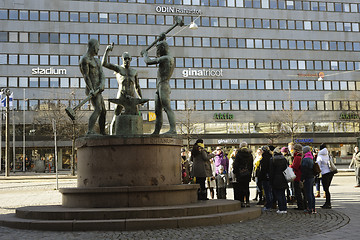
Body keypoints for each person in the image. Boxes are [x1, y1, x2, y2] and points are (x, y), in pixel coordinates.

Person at [102, 44, 142, 134]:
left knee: (136, 116)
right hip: (121, 96)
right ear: (122, 59)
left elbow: (137, 86)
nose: (127, 60)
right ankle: (111, 137)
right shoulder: (118, 69)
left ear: (131, 60)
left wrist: (140, 98)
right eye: (125, 58)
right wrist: (107, 50)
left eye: (128, 58)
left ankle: (137, 137)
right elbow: (104, 63)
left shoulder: (134, 71)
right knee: (116, 116)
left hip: (132, 96)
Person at [141, 33, 176, 135]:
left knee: (167, 107)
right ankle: (156, 131)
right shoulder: (167, 57)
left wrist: (145, 54)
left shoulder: (166, 58)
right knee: (157, 111)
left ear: (162, 49)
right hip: (159, 86)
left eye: (158, 50)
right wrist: (162, 39)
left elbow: (148, 62)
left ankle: (173, 129)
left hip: (163, 85)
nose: (157, 52)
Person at [79, 38, 106, 135]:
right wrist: (91, 89)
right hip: (92, 89)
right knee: (98, 109)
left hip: (99, 89)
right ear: (93, 47)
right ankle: (90, 131)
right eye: (97, 47)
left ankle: (102, 132)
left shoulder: (97, 61)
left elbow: (102, 74)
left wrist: (102, 84)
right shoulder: (84, 60)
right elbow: (86, 76)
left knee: (103, 111)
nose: (98, 49)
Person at [233, 142, 253, 207]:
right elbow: (251, 165)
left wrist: (235, 172)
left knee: (240, 188)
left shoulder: (238, 154)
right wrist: (250, 172)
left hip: (240, 174)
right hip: (247, 173)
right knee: (246, 188)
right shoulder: (250, 154)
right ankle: (247, 201)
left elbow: (235, 164)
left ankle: (241, 202)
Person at [269, 147, 288, 214]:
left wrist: (270, 181)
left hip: (276, 178)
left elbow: (271, 172)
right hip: (283, 177)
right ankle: (284, 208)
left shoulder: (272, 159)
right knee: (283, 194)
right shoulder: (284, 159)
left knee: (278, 194)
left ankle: (281, 208)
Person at [316, 143, 334, 209]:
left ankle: (327, 203)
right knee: (327, 189)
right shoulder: (328, 154)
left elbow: (318, 166)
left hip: (324, 174)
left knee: (325, 189)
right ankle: (328, 203)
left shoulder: (320, 156)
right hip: (330, 173)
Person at [290, 144, 307, 210]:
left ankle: (300, 206)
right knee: (303, 192)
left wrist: (290, 166)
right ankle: (304, 205)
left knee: (298, 192)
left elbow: (295, 167)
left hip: (297, 176)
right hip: (301, 176)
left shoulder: (297, 157)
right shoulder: (302, 156)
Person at [301, 146, 316, 214]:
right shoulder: (311, 157)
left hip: (307, 177)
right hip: (312, 177)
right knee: (311, 193)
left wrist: (302, 179)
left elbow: (304, 170)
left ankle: (309, 208)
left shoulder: (305, 159)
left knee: (308, 193)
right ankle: (313, 207)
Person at [259, 146, 273, 210]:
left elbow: (263, 169)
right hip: (270, 176)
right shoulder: (271, 157)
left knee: (267, 192)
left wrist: (260, 177)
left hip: (265, 177)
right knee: (270, 191)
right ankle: (271, 204)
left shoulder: (264, 158)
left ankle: (268, 205)